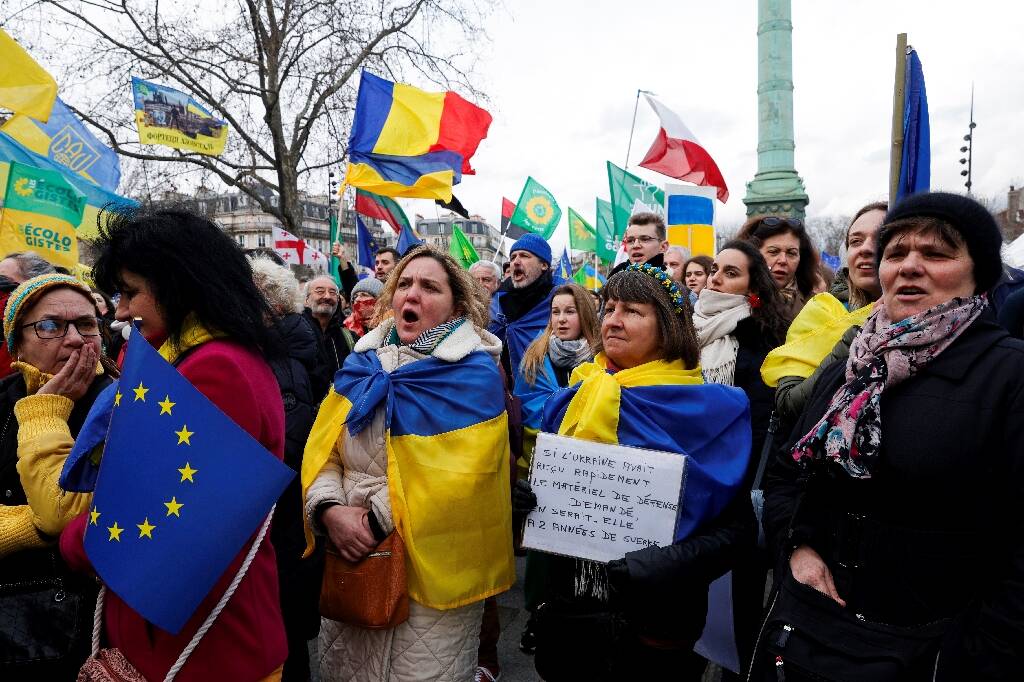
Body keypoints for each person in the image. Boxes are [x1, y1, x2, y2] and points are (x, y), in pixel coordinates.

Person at [754, 192, 1024, 681]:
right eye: (896, 254)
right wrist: (797, 547)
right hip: (811, 636)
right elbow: (786, 475)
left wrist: (980, 650)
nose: (910, 267)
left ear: (978, 273)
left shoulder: (1009, 373)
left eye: (937, 254)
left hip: (932, 653)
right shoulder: (854, 367)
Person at [60, 206, 289, 681]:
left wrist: (72, 542)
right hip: (185, 633)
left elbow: (167, 512)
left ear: (178, 283)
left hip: (208, 647)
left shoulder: (215, 369)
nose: (120, 311)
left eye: (131, 292)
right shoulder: (204, 360)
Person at [523, 263, 753, 680]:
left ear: (668, 325)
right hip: (572, 620)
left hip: (658, 628)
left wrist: (667, 564)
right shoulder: (573, 397)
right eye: (609, 307)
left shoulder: (712, 409)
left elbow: (737, 533)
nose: (612, 319)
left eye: (632, 310)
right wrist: (526, 505)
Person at [303, 246, 514, 682]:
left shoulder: (474, 376)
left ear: (457, 304)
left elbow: (462, 478)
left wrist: (372, 522)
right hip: (353, 564)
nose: (411, 294)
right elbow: (325, 451)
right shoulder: (359, 367)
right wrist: (328, 511)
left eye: (429, 286)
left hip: (429, 584)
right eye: (404, 284)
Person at [0, 273, 112, 678]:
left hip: (92, 633)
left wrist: (46, 410)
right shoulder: (2, 399)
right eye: (50, 326)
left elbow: (64, 515)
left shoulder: (125, 400)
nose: (76, 340)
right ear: (17, 342)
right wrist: (29, 524)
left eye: (86, 325)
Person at [691, 240, 788, 677]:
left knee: (736, 610)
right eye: (715, 269)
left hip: (735, 489)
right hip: (689, 487)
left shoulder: (761, 338)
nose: (716, 278)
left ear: (753, 286)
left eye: (731, 272)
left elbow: (761, 423)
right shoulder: (685, 330)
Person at [512, 283, 600, 658]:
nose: (561, 319)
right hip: (541, 466)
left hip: (588, 469)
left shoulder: (601, 357)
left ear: (585, 314)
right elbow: (527, 408)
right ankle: (538, 615)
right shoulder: (533, 356)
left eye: (569, 311)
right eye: (555, 312)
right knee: (542, 552)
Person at [251, 257, 323, 682]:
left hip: (282, 513)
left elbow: (289, 443)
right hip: (281, 514)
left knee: (285, 631)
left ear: (275, 306)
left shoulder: (285, 360)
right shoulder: (272, 350)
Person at [763, 202, 887, 425]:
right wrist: (859, 334)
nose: (865, 248)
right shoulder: (821, 309)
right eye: (855, 241)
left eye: (880, 239)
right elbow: (788, 403)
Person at [488, 233, 555, 377]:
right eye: (513, 257)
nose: (516, 262)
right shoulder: (497, 300)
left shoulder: (560, 298)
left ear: (544, 265)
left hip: (545, 388)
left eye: (524, 256)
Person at [737, 215, 817, 321]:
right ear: (753, 254)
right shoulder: (733, 298)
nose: (783, 260)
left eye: (791, 253)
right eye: (773, 252)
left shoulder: (815, 306)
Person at [303, 275, 356, 401]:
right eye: (320, 291)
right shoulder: (294, 332)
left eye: (332, 293)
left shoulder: (349, 338)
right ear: (306, 300)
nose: (327, 296)